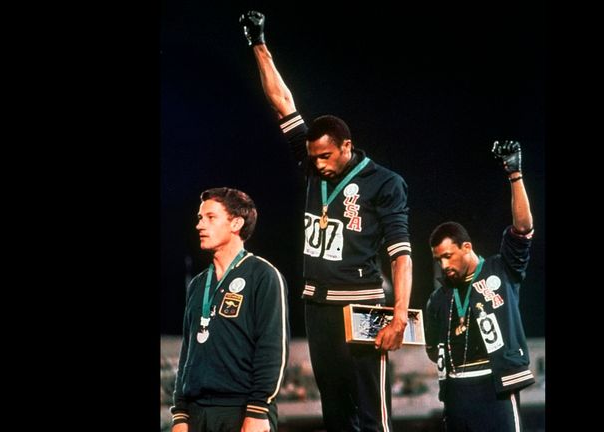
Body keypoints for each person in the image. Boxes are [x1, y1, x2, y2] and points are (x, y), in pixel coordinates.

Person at [239, 11, 413, 432]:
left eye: (326, 157)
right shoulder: (313, 164)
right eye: (313, 157)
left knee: (374, 414)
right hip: (317, 304)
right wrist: (258, 43)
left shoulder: (384, 183)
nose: (317, 165)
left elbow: (401, 255)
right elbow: (283, 102)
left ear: (347, 146)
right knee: (335, 413)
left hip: (364, 304)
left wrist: (399, 316)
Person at [424, 140, 537, 432]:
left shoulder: (502, 268)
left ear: (467, 247)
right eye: (439, 260)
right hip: (456, 391)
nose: (444, 265)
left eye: (448, 256)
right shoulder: (438, 299)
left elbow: (522, 229)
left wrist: (515, 175)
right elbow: (430, 348)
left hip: (495, 384)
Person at [171, 187, 290, 432]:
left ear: (236, 223)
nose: (200, 226)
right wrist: (180, 413)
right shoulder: (198, 284)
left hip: (242, 409)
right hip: (196, 413)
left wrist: (258, 410)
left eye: (210, 217)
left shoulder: (264, 275)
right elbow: (187, 351)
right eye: (200, 218)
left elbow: (272, 347)